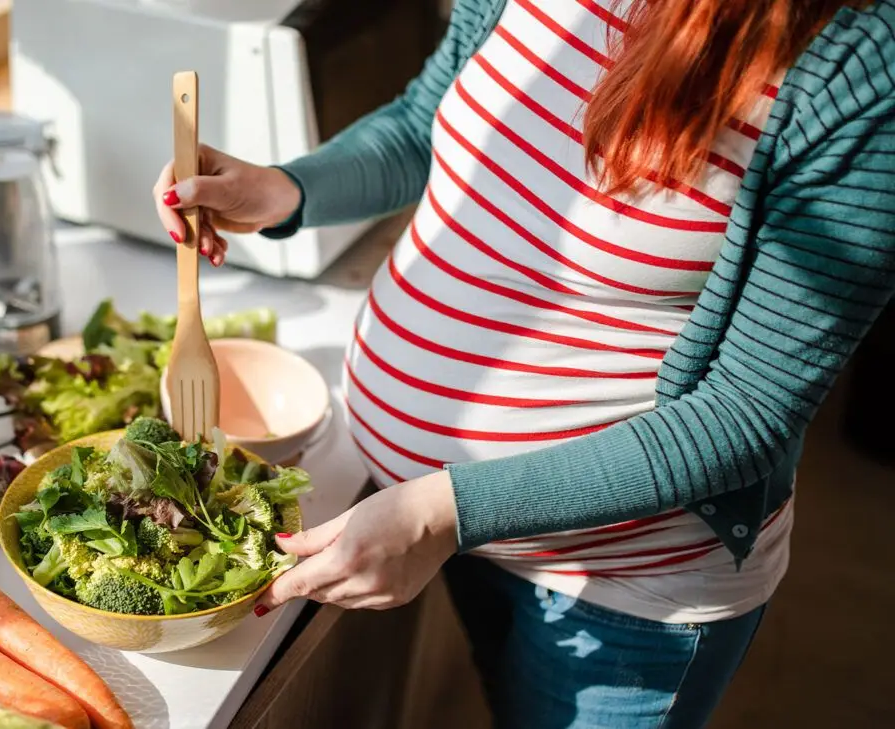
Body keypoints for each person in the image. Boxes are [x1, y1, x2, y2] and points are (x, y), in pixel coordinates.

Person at [152, 1, 894, 727]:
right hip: (438, 517)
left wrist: (448, 510)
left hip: (618, 583)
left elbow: (743, 419)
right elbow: (427, 124)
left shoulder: (861, 60)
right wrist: (288, 189)